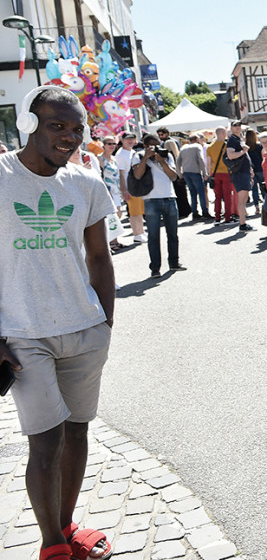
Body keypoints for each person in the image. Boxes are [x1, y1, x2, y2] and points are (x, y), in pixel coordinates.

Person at [0, 86, 117, 560]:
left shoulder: (86, 182)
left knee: (77, 433)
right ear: (29, 124)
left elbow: (100, 258)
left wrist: (105, 323)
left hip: (84, 331)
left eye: (75, 129)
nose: (68, 137)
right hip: (23, 335)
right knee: (44, 441)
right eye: (56, 125)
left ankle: (66, 526)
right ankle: (52, 547)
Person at [131, 133, 186, 278]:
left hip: (169, 197)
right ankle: (155, 268)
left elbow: (174, 176)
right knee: (154, 236)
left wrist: (162, 161)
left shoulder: (166, 156)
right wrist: (146, 158)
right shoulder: (138, 156)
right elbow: (137, 175)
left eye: (158, 144)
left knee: (173, 234)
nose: (156, 148)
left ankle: (174, 262)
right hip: (151, 199)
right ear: (145, 146)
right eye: (152, 145)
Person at [115, 132, 145, 243]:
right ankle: (137, 234)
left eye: (132, 138)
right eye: (128, 139)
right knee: (134, 212)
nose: (130, 141)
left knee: (139, 210)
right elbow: (121, 174)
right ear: (122, 140)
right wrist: (124, 190)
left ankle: (141, 231)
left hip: (137, 185)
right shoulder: (120, 154)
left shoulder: (132, 152)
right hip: (130, 186)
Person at [225, 120, 254, 232]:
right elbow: (230, 155)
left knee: (243, 199)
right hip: (240, 173)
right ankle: (242, 224)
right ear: (231, 128)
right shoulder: (232, 140)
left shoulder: (238, 138)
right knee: (242, 200)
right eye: (235, 125)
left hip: (243, 172)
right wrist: (243, 151)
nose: (238, 127)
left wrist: (250, 168)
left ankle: (243, 223)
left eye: (239, 125)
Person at [98, 136, 124, 251]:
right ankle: (111, 242)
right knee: (111, 216)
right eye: (109, 143)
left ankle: (115, 240)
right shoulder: (100, 159)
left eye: (113, 143)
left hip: (116, 190)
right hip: (107, 190)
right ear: (103, 145)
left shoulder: (114, 158)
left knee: (118, 215)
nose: (112, 146)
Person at [206, 127, 236, 222]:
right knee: (227, 196)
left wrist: (210, 174)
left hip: (215, 174)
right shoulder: (227, 146)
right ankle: (227, 217)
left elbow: (209, 163)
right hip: (226, 173)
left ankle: (217, 217)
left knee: (217, 197)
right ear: (223, 133)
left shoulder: (210, 147)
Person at [178, 133, 211, 220]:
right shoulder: (197, 147)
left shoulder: (183, 148)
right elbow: (200, 159)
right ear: (197, 140)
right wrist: (205, 172)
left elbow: (178, 161)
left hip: (186, 172)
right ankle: (205, 212)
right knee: (201, 193)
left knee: (192, 193)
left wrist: (180, 173)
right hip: (195, 172)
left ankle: (195, 213)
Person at [245, 128, 264, 210]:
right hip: (260, 168)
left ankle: (256, 206)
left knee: (254, 189)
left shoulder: (245, 147)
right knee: (263, 188)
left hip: (251, 170)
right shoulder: (259, 146)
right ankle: (266, 204)